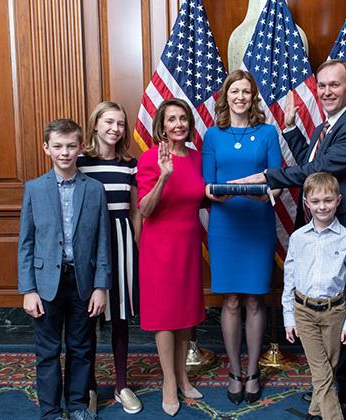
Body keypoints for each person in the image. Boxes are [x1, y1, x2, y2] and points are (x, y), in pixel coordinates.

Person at [231, 59, 346, 419]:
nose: (327, 91)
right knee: (327, 313)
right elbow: (315, 159)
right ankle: (332, 389)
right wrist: (294, 130)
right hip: (318, 231)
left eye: (334, 85)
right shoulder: (326, 128)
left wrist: (266, 176)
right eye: (322, 86)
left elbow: (319, 170)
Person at [18, 119, 110, 420]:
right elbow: (26, 243)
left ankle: (78, 404)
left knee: (81, 347)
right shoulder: (34, 188)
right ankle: (50, 411)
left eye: (71, 146)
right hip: (45, 283)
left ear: (81, 147)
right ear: (47, 148)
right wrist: (28, 290)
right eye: (57, 146)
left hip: (83, 282)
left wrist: (101, 286)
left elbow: (102, 242)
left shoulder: (95, 190)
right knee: (47, 351)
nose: (65, 152)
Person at [202, 70, 282, 405]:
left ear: (253, 96)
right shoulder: (212, 135)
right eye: (234, 91)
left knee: (254, 299)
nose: (240, 97)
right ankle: (234, 370)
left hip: (258, 223)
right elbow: (207, 183)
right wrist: (214, 193)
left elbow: (276, 180)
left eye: (246, 92)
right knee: (231, 300)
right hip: (225, 225)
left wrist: (263, 194)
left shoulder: (267, 133)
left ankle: (253, 371)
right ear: (226, 96)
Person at [136, 98, 206, 417]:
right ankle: (168, 381)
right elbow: (145, 209)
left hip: (188, 242)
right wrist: (164, 176)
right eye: (171, 119)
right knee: (165, 316)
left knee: (183, 313)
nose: (178, 124)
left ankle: (182, 375)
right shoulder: (151, 159)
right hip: (159, 246)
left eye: (183, 118)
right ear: (161, 125)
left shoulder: (196, 158)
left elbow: (204, 196)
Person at [77, 102, 142, 415]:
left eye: (120, 124)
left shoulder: (129, 164)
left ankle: (121, 385)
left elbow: (135, 210)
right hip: (89, 243)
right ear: (95, 125)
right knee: (87, 318)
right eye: (109, 122)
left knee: (119, 316)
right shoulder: (79, 161)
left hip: (121, 239)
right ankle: (89, 386)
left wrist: (136, 245)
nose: (115, 129)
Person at [283, 172, 346, 420]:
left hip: (335, 313)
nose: (322, 206)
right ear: (306, 203)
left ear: (338, 200)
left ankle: (314, 412)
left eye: (328, 200)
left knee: (327, 367)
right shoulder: (298, 238)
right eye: (316, 201)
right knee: (321, 371)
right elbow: (290, 278)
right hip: (304, 311)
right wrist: (289, 317)